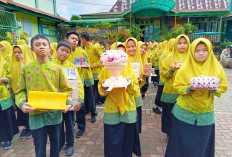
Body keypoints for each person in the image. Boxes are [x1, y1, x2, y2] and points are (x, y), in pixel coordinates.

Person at [165, 38, 228, 157]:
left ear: (210, 51)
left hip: (205, 114)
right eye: (197, 50)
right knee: (180, 145)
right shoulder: (185, 68)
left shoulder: (216, 67)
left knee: (201, 146)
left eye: (204, 50)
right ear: (192, 52)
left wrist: (214, 89)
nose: (201, 53)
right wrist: (189, 88)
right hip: (184, 114)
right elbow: (177, 86)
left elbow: (223, 87)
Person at [15, 35, 73, 157]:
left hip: (54, 116)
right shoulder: (26, 69)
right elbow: (20, 91)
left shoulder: (57, 69)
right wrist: (22, 104)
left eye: (44, 44)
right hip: (36, 117)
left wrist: (68, 104)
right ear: (32, 49)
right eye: (37, 44)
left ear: (49, 49)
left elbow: (67, 89)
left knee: (55, 146)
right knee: (39, 147)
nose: (41, 47)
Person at [98, 53, 141, 157]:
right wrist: (104, 86)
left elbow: (135, 90)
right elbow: (101, 92)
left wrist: (129, 83)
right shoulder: (106, 70)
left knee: (127, 140)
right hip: (112, 109)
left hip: (128, 108)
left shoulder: (129, 68)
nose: (117, 62)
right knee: (112, 139)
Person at [52, 40, 84, 156]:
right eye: (62, 50)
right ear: (56, 50)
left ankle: (70, 144)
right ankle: (60, 143)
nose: (64, 53)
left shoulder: (72, 67)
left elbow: (79, 84)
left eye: (67, 51)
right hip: (55, 103)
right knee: (57, 124)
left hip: (70, 102)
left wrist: (80, 100)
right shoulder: (50, 66)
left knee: (70, 124)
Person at [160, 35, 190, 137]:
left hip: (186, 91)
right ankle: (170, 133)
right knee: (170, 114)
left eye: (185, 43)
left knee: (183, 115)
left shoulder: (192, 58)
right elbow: (163, 74)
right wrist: (171, 70)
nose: (182, 45)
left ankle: (180, 134)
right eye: (179, 43)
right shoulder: (169, 57)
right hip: (171, 90)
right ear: (175, 45)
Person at [64, 31, 92, 137]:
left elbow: (86, 65)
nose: (75, 41)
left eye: (76, 39)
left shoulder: (80, 52)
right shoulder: (62, 51)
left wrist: (86, 66)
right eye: (72, 38)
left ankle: (81, 127)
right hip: (64, 86)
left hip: (77, 83)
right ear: (67, 40)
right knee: (67, 109)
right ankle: (68, 130)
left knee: (80, 106)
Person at [11, 45, 32, 139]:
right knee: (20, 111)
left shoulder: (28, 62)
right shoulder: (12, 63)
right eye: (15, 52)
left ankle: (29, 128)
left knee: (27, 110)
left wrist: (22, 62)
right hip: (17, 91)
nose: (17, 54)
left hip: (26, 92)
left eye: (19, 52)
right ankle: (24, 128)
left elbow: (25, 75)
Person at [81, 32, 101, 123]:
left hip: (95, 73)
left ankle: (94, 112)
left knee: (93, 94)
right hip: (87, 74)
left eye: (81, 39)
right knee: (88, 94)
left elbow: (103, 60)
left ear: (84, 39)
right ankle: (88, 110)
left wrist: (92, 65)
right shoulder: (84, 48)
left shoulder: (95, 47)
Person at [0, 53, 19, 150]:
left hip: (3, 96)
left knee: (6, 118)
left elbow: (10, 77)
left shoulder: (5, 63)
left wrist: (3, 79)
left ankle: (8, 138)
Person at [125, 37, 144, 134]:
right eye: (128, 47)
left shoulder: (140, 59)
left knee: (136, 113)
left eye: (133, 46)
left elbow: (141, 77)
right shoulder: (123, 59)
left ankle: (135, 133)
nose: (131, 49)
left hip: (136, 92)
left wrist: (140, 79)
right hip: (125, 93)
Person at [153, 38, 175, 114]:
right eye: (173, 45)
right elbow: (162, 66)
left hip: (170, 78)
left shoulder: (173, 54)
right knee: (160, 92)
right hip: (164, 77)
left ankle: (160, 106)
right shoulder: (165, 54)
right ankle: (155, 106)